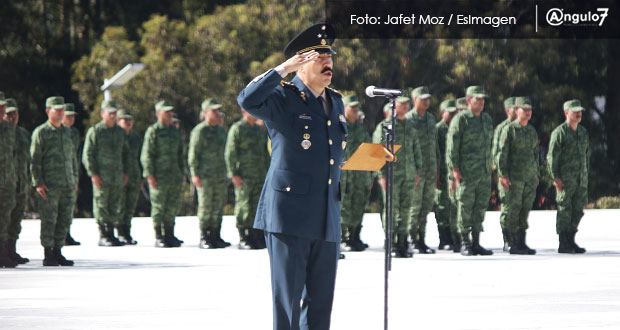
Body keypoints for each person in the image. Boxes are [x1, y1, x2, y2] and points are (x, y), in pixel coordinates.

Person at [237, 23, 345, 330]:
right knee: (288, 301)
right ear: (302, 62)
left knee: (321, 304)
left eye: (330, 57)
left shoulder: (335, 101)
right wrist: (281, 70)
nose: (329, 63)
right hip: (289, 216)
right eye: (320, 57)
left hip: (326, 215)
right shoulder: (283, 98)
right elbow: (247, 100)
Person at [447, 86, 494, 256]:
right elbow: (452, 147)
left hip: (483, 172)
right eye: (477, 99)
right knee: (465, 206)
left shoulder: (487, 119)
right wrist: (454, 169)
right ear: (468, 101)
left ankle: (476, 242)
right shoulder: (461, 119)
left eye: (482, 100)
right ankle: (465, 242)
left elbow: (491, 145)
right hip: (466, 172)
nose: (481, 103)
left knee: (480, 207)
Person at [31, 96, 78, 266]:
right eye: (56, 109)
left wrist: (75, 179)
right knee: (49, 220)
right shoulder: (41, 132)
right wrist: (37, 182)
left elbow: (72, 158)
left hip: (67, 184)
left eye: (62, 109)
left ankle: (58, 251)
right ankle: (48, 253)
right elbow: (35, 159)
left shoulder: (67, 132)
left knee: (64, 219)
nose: (60, 112)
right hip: (49, 186)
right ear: (47, 111)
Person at [373, 96, 422, 258]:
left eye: (407, 104)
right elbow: (378, 152)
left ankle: (402, 241)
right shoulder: (385, 126)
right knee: (391, 209)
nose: (406, 107)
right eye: (402, 104)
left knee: (406, 208)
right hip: (391, 175)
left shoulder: (410, 125)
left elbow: (416, 150)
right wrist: (381, 176)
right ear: (394, 107)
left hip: (408, 174)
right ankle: (391, 242)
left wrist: (417, 172)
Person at [83, 100, 129, 246]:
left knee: (115, 205)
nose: (113, 116)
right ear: (102, 114)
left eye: (114, 113)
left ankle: (111, 233)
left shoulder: (120, 132)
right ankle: (103, 234)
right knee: (101, 204)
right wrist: (93, 174)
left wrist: (126, 173)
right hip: (101, 177)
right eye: (110, 113)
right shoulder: (96, 131)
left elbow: (126, 154)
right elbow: (87, 154)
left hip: (117, 176)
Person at [497, 97, 538, 255]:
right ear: (516, 110)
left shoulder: (531, 131)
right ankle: (512, 242)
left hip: (529, 177)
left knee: (524, 209)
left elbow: (535, 154)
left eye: (530, 110)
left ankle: (521, 242)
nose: (528, 113)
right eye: (524, 109)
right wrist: (503, 175)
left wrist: (536, 174)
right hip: (514, 177)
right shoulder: (510, 129)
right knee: (513, 208)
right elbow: (502, 154)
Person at [141, 100, 185, 248]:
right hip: (159, 176)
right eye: (166, 112)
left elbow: (180, 154)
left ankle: (169, 234)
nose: (170, 114)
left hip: (174, 176)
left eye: (171, 112)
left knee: (171, 206)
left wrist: (181, 173)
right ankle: (159, 236)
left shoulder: (174, 131)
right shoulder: (153, 131)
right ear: (158, 113)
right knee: (159, 207)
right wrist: (150, 175)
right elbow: (147, 155)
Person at [548, 99, 589, 254]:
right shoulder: (560, 133)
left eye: (580, 112)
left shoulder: (583, 132)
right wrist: (555, 177)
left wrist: (586, 176)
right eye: (575, 111)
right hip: (565, 179)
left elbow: (586, 157)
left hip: (580, 179)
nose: (579, 114)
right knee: (565, 209)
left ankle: (571, 240)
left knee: (577, 209)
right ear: (566, 113)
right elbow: (552, 157)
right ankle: (563, 242)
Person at [225, 108, 270, 249]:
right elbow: (230, 153)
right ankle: (244, 236)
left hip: (259, 174)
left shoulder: (258, 129)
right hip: (244, 175)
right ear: (244, 111)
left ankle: (255, 235)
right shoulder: (237, 128)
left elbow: (265, 153)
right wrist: (233, 174)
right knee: (244, 205)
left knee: (257, 205)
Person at [188, 98, 230, 249]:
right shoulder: (199, 131)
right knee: (206, 206)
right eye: (214, 111)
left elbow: (227, 153)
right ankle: (205, 236)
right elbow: (193, 154)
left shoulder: (220, 130)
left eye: (218, 110)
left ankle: (215, 235)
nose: (217, 114)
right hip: (204, 175)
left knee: (218, 206)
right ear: (205, 112)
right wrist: (195, 174)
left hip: (219, 175)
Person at [406, 86, 439, 254]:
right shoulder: (408, 119)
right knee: (415, 206)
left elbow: (435, 146)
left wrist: (437, 168)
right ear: (414, 100)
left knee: (426, 207)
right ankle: (411, 239)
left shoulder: (431, 119)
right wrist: (413, 171)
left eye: (428, 99)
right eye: (422, 99)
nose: (426, 102)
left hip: (430, 169)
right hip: (416, 171)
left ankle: (421, 239)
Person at [339, 95, 372, 252]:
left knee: (358, 205)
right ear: (344, 108)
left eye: (357, 107)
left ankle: (354, 237)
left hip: (360, 176)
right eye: (352, 107)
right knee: (343, 207)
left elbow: (368, 151)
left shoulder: (360, 129)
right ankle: (342, 238)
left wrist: (370, 176)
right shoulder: (338, 127)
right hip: (344, 177)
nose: (355, 109)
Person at [4, 98, 31, 264]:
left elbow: (29, 159)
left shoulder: (23, 134)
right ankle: (4, 252)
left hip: (20, 184)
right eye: (9, 114)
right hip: (6, 184)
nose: (13, 117)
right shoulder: (3, 133)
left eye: (15, 113)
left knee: (16, 219)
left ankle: (12, 250)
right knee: (4, 219)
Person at [492, 97, 516, 251]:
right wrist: (500, 174)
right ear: (508, 110)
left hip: (520, 174)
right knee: (507, 206)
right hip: (505, 174)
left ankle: (517, 238)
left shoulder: (523, 127)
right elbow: (496, 152)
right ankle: (507, 239)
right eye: (515, 107)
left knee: (518, 207)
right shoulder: (502, 128)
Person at [434, 99, 458, 251]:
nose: (453, 114)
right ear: (443, 113)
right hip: (441, 174)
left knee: (452, 206)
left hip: (452, 174)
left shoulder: (455, 128)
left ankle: (453, 237)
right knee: (442, 206)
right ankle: (444, 239)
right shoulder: (438, 129)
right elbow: (436, 152)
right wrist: (436, 173)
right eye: (450, 112)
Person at [116, 109, 141, 245]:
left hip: (134, 176)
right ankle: (120, 232)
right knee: (120, 205)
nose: (128, 122)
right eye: (125, 120)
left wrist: (142, 176)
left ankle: (127, 232)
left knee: (130, 206)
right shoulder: (116, 136)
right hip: (119, 176)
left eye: (130, 120)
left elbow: (140, 157)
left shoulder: (135, 137)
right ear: (119, 122)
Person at [0, 92, 18, 268]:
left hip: (7, 182)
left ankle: (3, 253)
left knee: (5, 218)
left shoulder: (8, 129)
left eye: (2, 107)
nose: (1, 110)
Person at [62, 103, 82, 246]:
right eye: (68, 116)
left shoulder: (74, 133)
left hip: (71, 173)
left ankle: (67, 233)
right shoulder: (58, 131)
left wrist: (76, 175)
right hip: (57, 175)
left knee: (69, 205)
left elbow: (77, 155)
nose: (71, 118)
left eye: (72, 116)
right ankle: (59, 236)